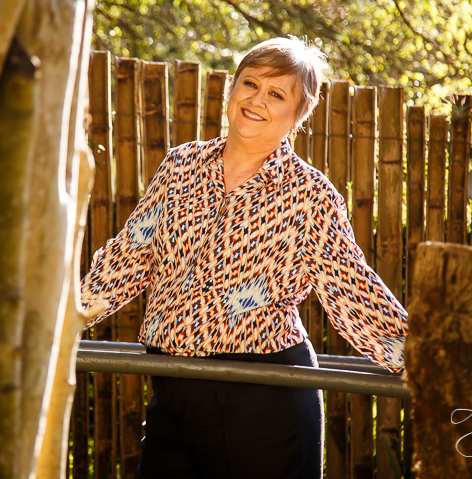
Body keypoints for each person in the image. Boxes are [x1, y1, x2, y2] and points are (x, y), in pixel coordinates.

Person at [80, 36, 409, 479]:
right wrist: (67, 318)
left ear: (299, 114)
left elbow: (349, 286)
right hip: (172, 384)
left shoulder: (309, 195)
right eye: (250, 84)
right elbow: (129, 256)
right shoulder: (180, 167)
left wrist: (419, 358)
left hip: (263, 396)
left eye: (277, 94)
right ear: (231, 89)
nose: (257, 100)